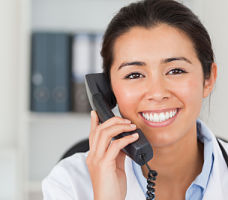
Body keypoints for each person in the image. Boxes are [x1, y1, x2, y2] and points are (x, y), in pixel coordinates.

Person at [42, 0, 228, 199]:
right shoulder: (68, 184)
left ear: (208, 79)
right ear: (108, 90)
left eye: (176, 70)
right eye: (134, 75)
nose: (157, 93)